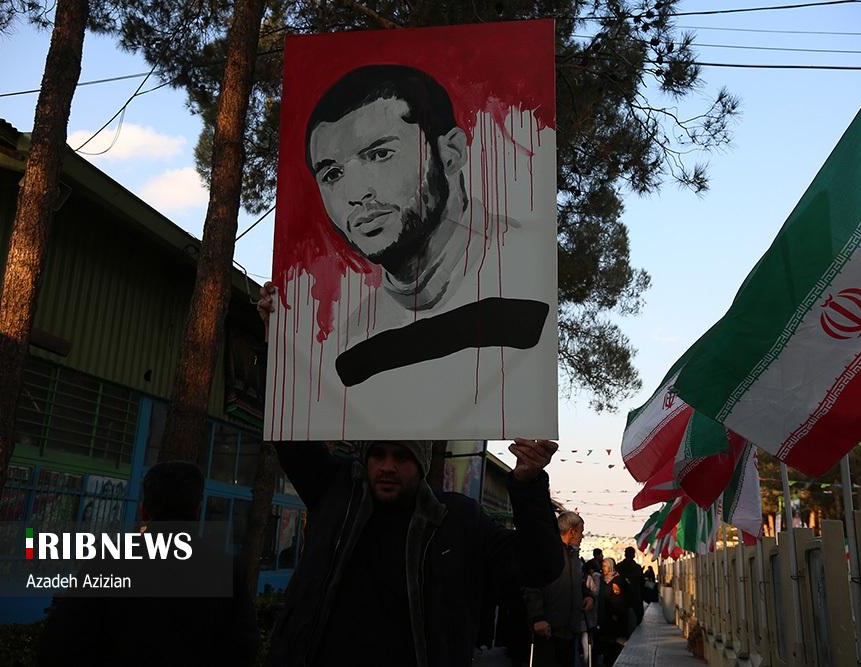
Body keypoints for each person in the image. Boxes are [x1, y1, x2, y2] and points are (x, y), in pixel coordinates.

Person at [303, 64, 549, 384]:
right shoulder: (354, 336)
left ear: (451, 153)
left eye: (379, 154)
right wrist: (275, 329)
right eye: (333, 174)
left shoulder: (531, 268)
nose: (356, 194)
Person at [267, 440, 563, 665]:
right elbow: (290, 428)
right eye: (378, 455)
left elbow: (540, 566)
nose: (387, 467)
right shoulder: (335, 496)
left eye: (401, 457)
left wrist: (528, 485)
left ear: (422, 463)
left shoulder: (458, 520)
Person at [37, 462, 257, 666]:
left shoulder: (107, 562)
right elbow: (243, 650)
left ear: (144, 510)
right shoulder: (227, 570)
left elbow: (59, 644)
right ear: (197, 511)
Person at [522, 511, 594, 667]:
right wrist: (538, 617)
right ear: (572, 532)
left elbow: (578, 582)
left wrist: (587, 595)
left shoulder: (574, 556)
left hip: (569, 629)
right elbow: (532, 586)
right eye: (581, 531)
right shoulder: (547, 552)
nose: (582, 536)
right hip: (548, 630)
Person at [596, 558, 634, 667]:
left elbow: (619, 599)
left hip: (615, 617)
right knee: (606, 643)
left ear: (611, 567)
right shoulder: (603, 580)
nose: (603, 568)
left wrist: (615, 613)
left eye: (605, 566)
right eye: (602, 566)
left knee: (615, 643)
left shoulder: (617, 580)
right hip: (605, 616)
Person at [615, 546, 645, 625]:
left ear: (625, 554)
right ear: (634, 555)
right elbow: (642, 582)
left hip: (621, 595)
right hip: (635, 595)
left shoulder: (618, 567)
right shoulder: (637, 568)